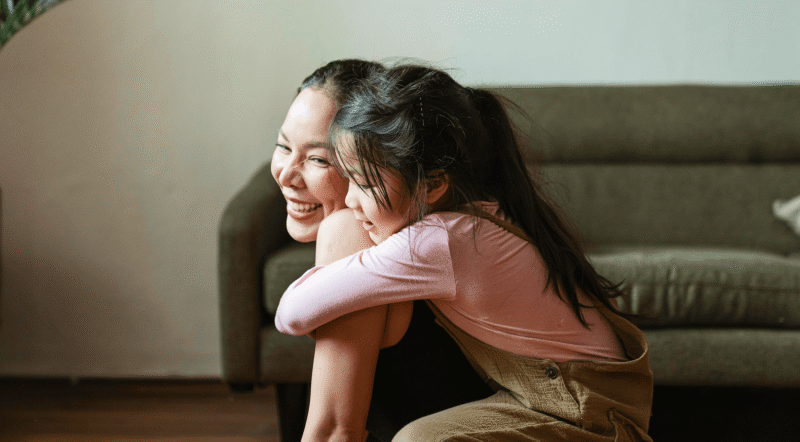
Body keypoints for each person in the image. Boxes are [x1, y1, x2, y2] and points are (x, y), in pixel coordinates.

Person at [275, 64, 654, 441]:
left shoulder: (440, 241)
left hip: (587, 409)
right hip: (569, 397)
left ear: (435, 182)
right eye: (282, 145)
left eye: (362, 182)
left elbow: (291, 313)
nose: (351, 200)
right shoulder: (470, 215)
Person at [272, 60, 493, 442]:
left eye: (318, 159)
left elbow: (334, 430)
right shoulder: (426, 223)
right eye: (283, 146)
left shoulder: (349, 231)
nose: (286, 175)